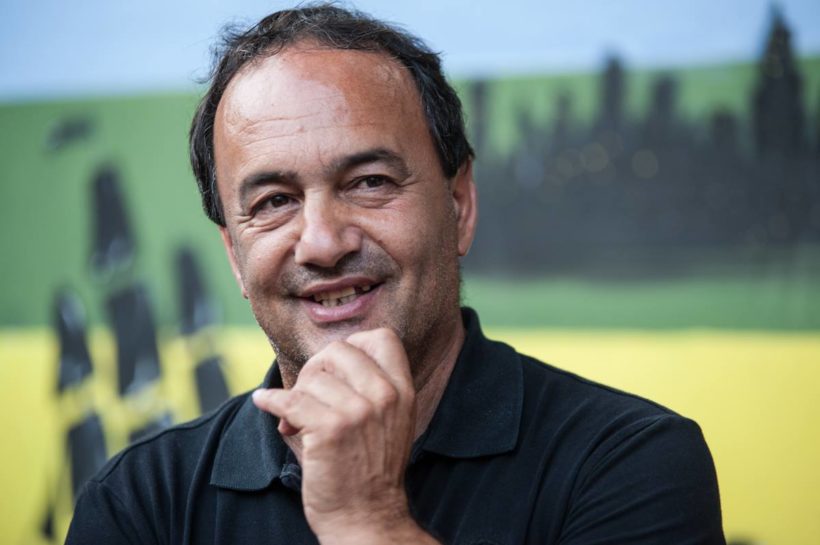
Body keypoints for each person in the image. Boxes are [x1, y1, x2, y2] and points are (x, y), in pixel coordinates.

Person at [66, 5, 725, 544]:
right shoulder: (139, 504)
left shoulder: (632, 462)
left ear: (459, 204)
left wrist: (367, 519)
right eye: (274, 201)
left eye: (370, 182)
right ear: (236, 257)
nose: (322, 243)